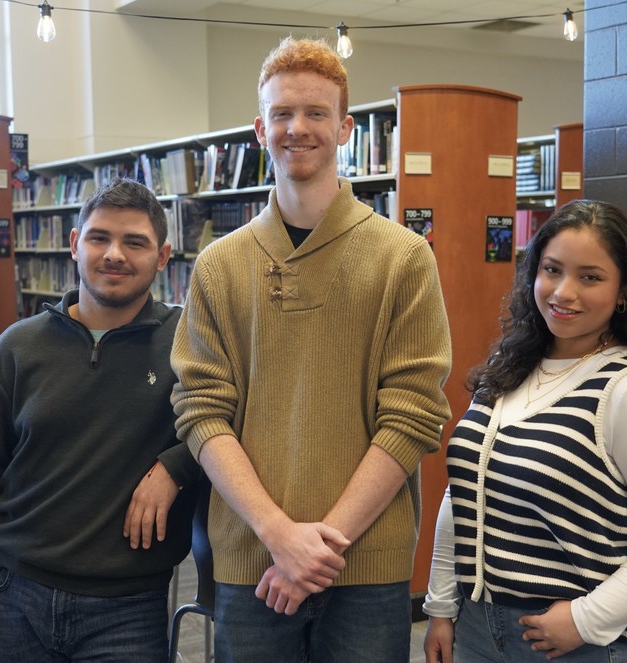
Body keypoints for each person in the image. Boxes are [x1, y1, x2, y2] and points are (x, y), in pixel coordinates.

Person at [170, 37, 453, 662]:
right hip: (251, 562)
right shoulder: (218, 265)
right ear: (259, 129)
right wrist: (279, 535)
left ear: (346, 128)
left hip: (367, 567)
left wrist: (320, 547)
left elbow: (412, 413)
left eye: (316, 113)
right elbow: (201, 409)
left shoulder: (404, 257)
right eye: (282, 114)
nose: (298, 128)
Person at [423, 199, 627, 662]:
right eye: (552, 269)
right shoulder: (509, 367)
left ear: (624, 291)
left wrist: (587, 618)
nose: (563, 292)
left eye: (590, 277)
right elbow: (465, 491)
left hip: (587, 642)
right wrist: (441, 606)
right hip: (481, 628)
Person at [0, 178, 201, 662]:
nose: (114, 255)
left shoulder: (188, 343)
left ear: (163, 256)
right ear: (74, 245)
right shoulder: (18, 348)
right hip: (13, 590)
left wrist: (176, 466)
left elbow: (231, 421)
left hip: (129, 604)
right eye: (99, 238)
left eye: (135, 242)